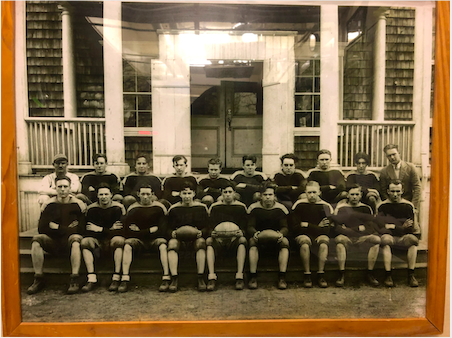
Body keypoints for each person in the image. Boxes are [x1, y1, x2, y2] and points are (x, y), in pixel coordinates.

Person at [27, 176, 86, 295]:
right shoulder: (49, 205)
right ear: (55, 188)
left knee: (75, 239)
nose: (63, 189)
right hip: (53, 241)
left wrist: (58, 227)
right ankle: (39, 278)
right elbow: (42, 228)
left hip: (70, 242)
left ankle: (74, 278)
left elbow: (81, 229)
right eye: (60, 187)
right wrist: (68, 228)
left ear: (70, 188)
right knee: (37, 239)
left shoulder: (77, 205)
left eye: (65, 186)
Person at [119, 184, 170, 293]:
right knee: (128, 244)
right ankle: (125, 278)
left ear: (152, 195)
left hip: (155, 240)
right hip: (139, 241)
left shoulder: (159, 208)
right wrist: (149, 231)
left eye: (148, 194)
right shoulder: (133, 208)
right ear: (138, 194)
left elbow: (162, 231)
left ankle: (166, 277)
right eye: (143, 194)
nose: (145, 197)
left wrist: (139, 232)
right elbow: (128, 232)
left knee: (163, 244)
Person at [331, 184, 381, 287]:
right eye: (352, 194)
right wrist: (358, 228)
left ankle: (370, 273)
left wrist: (350, 229)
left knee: (376, 240)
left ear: (361, 195)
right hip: (346, 238)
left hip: (362, 238)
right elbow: (337, 228)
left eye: (357, 194)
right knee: (339, 240)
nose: (354, 197)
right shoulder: (341, 208)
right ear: (347, 196)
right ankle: (341, 274)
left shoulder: (366, 208)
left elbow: (370, 228)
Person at [80, 183, 126, 292]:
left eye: (106, 194)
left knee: (118, 241)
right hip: (98, 241)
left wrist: (100, 229)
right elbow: (88, 230)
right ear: (97, 196)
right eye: (101, 194)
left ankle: (116, 277)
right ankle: (91, 278)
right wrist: (110, 229)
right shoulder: (91, 209)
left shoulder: (118, 208)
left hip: (112, 240)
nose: (104, 197)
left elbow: (121, 230)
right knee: (85, 242)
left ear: (111, 195)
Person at [375, 180, 420, 288]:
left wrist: (391, 226)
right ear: (388, 191)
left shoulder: (408, 206)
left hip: (403, 237)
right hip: (389, 237)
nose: (395, 194)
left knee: (413, 242)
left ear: (402, 191)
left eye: (398, 191)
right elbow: (381, 227)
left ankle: (411, 275)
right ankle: (388, 275)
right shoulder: (382, 206)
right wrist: (400, 226)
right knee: (385, 241)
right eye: (392, 191)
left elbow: (409, 228)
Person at [167, 181, 209, 292]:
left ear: (194, 194)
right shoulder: (174, 209)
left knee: (201, 243)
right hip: (180, 238)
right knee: (171, 244)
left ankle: (200, 277)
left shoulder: (201, 207)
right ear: (180, 194)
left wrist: (202, 232)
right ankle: (174, 278)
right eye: (184, 193)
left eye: (189, 193)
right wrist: (172, 233)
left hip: (195, 237)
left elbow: (208, 226)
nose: (186, 196)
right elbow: (167, 227)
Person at [290, 181, 334, 288]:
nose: (312, 195)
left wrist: (306, 225)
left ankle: (320, 274)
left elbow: (327, 230)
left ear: (319, 192)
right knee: (305, 242)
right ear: (305, 192)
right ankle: (307, 275)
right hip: (303, 235)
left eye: (314, 192)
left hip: (318, 235)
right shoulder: (299, 205)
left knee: (324, 242)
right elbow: (295, 228)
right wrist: (317, 226)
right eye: (309, 192)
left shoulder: (326, 206)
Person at [247, 182, 290, 290]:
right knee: (252, 242)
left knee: (285, 242)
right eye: (265, 195)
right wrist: (254, 233)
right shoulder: (253, 208)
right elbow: (250, 226)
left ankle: (282, 276)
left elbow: (285, 227)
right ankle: (253, 276)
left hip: (275, 237)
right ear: (260, 196)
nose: (267, 197)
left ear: (274, 196)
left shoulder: (281, 208)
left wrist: (281, 234)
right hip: (260, 237)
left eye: (270, 195)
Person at [206, 183, 248, 291]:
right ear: (221, 194)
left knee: (242, 240)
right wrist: (212, 232)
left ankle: (239, 276)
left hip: (234, 239)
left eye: (230, 192)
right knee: (209, 241)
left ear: (234, 193)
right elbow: (210, 225)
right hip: (219, 239)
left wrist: (241, 232)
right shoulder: (215, 207)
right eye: (225, 192)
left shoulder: (241, 207)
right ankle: (211, 276)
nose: (228, 194)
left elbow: (244, 225)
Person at [380, 144, 422, 210]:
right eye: (389, 156)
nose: (392, 157)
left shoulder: (410, 168)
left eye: (394, 154)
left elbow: (417, 187)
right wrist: (389, 204)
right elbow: (383, 190)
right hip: (391, 205)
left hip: (408, 203)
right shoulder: (384, 171)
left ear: (399, 153)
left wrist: (413, 206)